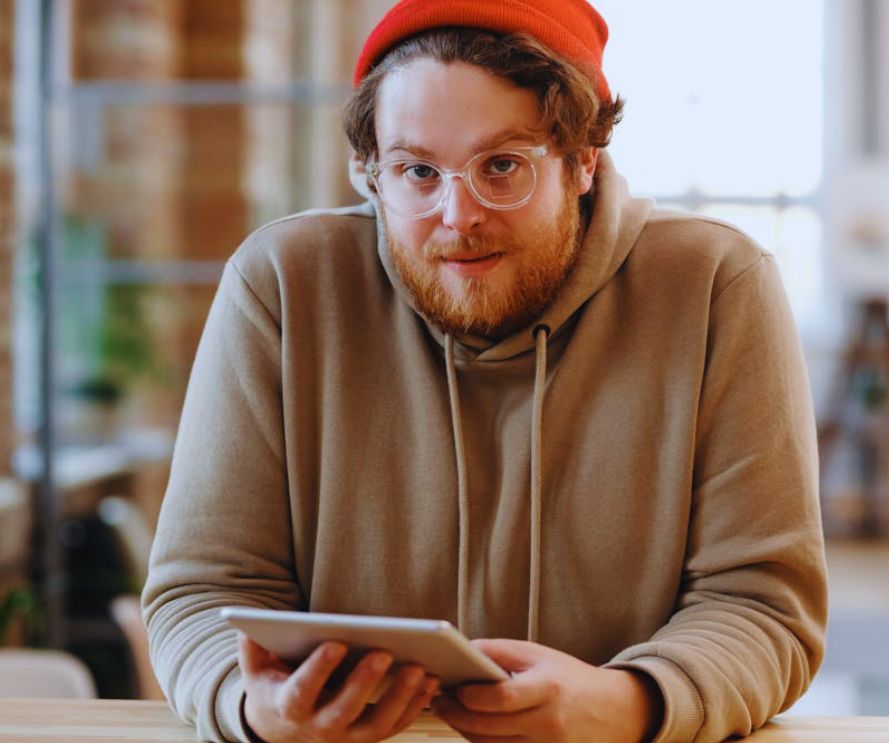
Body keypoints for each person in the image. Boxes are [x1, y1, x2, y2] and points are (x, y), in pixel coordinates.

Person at [141, 1, 828, 741]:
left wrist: (627, 701)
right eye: (417, 171)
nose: (457, 214)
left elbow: (761, 605)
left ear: (582, 161)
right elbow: (202, 592)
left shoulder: (717, 283)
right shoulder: (281, 284)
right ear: (373, 173)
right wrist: (255, 708)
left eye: (501, 166)